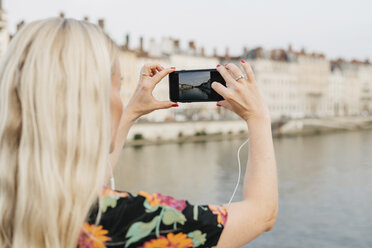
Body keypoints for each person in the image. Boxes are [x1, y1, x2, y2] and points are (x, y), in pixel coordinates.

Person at [0, 17, 277, 248]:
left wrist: (130, 111)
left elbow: (86, 185)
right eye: (117, 87)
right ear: (93, 101)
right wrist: (258, 116)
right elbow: (262, 214)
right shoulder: (126, 220)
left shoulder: (13, 201)